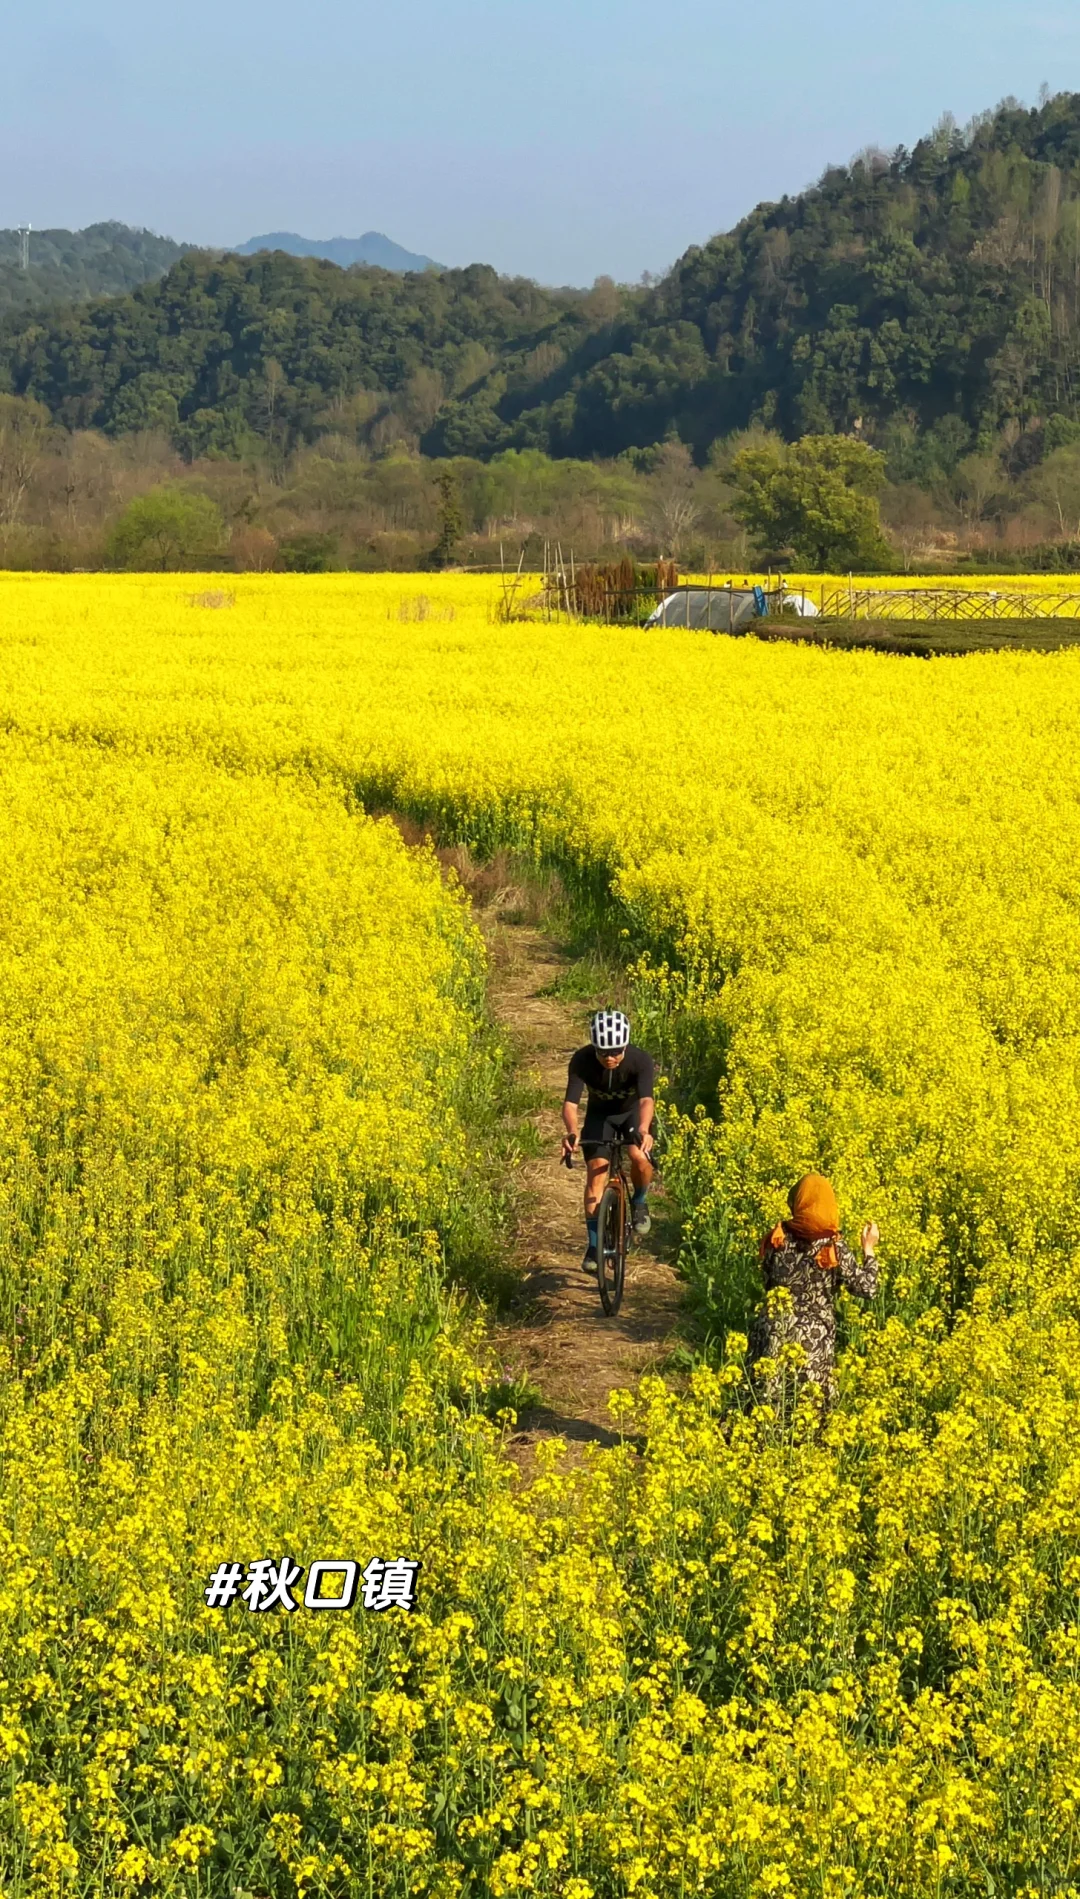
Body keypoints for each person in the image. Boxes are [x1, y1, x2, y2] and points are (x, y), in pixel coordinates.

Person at [747, 1172, 879, 1412]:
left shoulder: (778, 1237)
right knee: (809, 1414)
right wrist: (868, 1249)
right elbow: (868, 1288)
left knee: (765, 1411)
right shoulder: (833, 1245)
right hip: (813, 1341)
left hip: (773, 1333)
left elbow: (767, 1282)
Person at [561, 1008, 656, 1273]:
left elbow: (646, 1100)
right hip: (600, 1116)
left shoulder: (640, 1060)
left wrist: (644, 1129)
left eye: (616, 1051)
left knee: (639, 1156)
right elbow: (570, 1103)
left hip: (632, 1114)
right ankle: (594, 1245)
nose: (610, 1058)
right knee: (596, 1174)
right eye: (603, 1053)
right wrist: (571, 1131)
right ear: (594, 1048)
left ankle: (639, 1201)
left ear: (625, 1046)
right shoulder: (582, 1060)